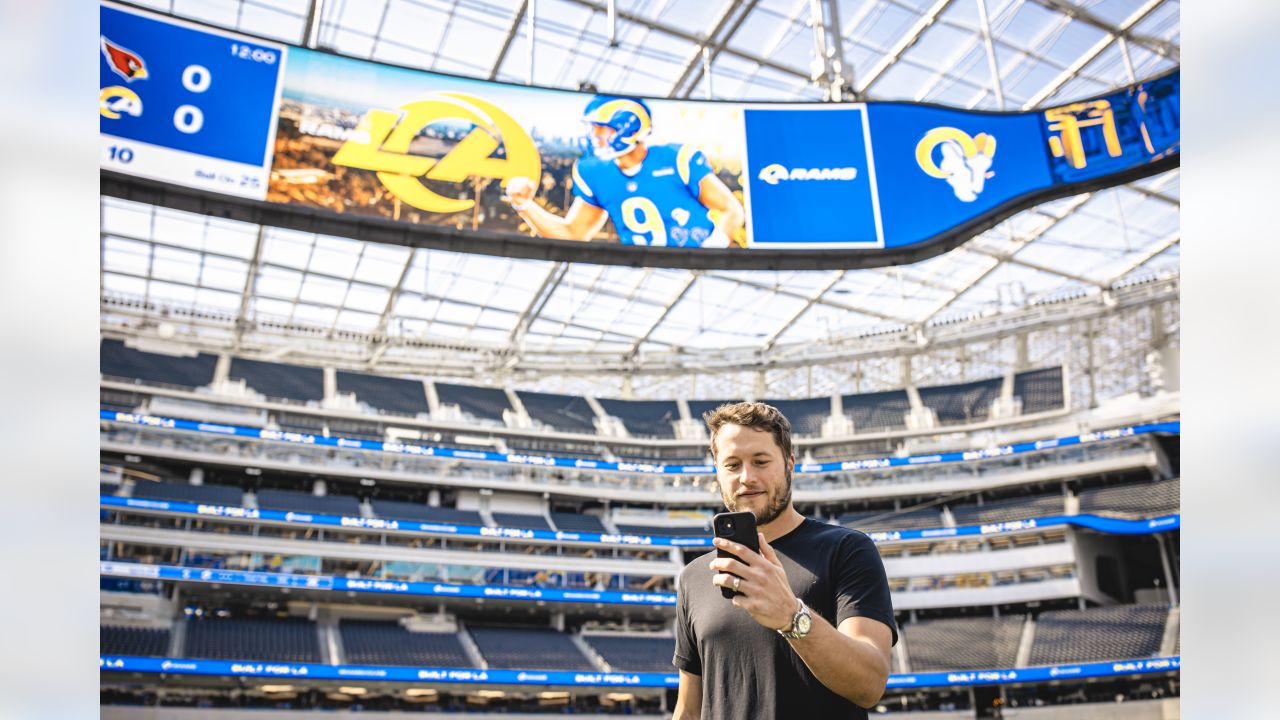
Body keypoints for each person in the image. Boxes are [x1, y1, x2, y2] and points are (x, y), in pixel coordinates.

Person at [672, 402, 896, 719]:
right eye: (732, 465)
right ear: (717, 473)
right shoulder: (694, 576)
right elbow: (689, 709)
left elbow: (870, 684)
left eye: (761, 461)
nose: (746, 477)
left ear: (790, 464)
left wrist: (792, 617)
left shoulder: (847, 549)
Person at [504, 96, 745, 248]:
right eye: (593, 129)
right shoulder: (594, 171)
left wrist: (712, 248)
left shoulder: (676, 159)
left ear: (627, 127)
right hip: (642, 270)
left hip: (694, 266)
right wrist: (524, 205)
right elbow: (574, 235)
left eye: (601, 129)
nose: (594, 137)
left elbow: (731, 210)